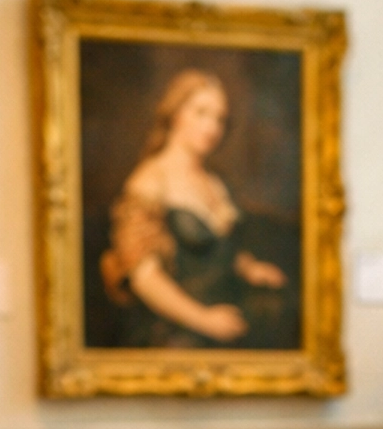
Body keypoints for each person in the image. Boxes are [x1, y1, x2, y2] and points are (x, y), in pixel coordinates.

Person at [99, 69, 290, 348]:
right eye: (201, 113)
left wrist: (250, 268)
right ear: (176, 114)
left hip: (228, 316)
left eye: (219, 119)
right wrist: (204, 320)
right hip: (178, 329)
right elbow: (144, 276)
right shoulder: (149, 181)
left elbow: (217, 249)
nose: (212, 127)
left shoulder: (215, 181)